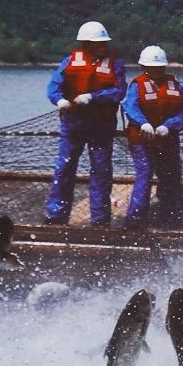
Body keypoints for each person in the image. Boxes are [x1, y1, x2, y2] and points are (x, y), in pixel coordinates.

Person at [44, 21, 127, 226]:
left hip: (101, 125)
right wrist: (60, 100)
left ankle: (99, 219)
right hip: (73, 124)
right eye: (98, 44)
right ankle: (57, 215)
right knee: (64, 167)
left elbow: (119, 91)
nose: (103, 47)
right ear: (86, 44)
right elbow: (54, 87)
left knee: (101, 170)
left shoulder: (115, 65)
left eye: (104, 43)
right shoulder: (69, 62)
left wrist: (93, 96)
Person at [121, 46, 183, 229]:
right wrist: (143, 123)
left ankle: (169, 219)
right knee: (144, 174)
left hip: (167, 139)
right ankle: (135, 219)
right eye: (151, 67)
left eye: (159, 67)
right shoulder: (137, 85)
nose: (155, 71)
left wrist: (168, 126)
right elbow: (130, 107)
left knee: (171, 177)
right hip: (142, 139)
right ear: (143, 67)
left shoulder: (175, 84)